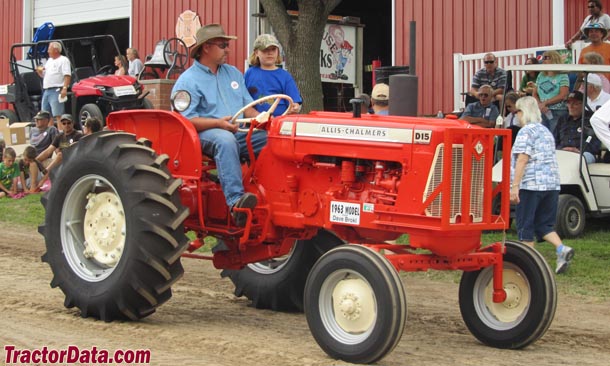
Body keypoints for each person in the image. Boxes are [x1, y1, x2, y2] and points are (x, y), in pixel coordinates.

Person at [171, 23, 262, 227]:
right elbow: (185, 120)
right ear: (206, 47)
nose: (227, 49)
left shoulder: (233, 73)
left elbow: (248, 107)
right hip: (205, 133)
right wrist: (218, 124)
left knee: (271, 139)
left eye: (226, 44)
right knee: (225, 140)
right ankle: (236, 204)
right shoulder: (188, 81)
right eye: (223, 45)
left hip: (236, 129)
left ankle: (268, 195)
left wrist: (264, 119)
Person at [510, 96, 574, 274]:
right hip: (551, 184)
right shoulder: (545, 131)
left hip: (531, 184)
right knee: (544, 225)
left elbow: (523, 159)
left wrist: (515, 186)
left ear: (523, 112)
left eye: (518, 111)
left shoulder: (526, 132)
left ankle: (528, 267)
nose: (516, 115)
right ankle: (561, 249)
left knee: (525, 226)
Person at [244, 34, 302, 115]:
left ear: (277, 52)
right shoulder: (249, 74)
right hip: (254, 124)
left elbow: (295, 103)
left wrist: (295, 107)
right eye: (265, 50)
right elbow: (242, 100)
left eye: (273, 49)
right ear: (256, 52)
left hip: (279, 124)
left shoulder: (285, 76)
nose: (270, 53)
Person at [554, 91, 601, 164]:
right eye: (568, 103)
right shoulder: (562, 119)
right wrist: (561, 149)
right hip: (562, 152)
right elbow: (554, 140)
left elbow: (596, 143)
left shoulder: (592, 119)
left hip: (583, 153)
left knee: (577, 161)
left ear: (583, 104)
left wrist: (578, 150)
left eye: (575, 103)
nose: (570, 106)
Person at [35, 41, 71, 127]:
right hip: (46, 91)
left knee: (58, 115)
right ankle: (50, 134)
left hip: (56, 90)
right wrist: (39, 72)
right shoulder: (49, 61)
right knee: (46, 115)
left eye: (49, 49)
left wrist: (65, 88)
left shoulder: (63, 60)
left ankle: (61, 134)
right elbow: (44, 75)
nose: (48, 51)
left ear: (56, 50)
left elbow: (67, 75)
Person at [533, 50, 569, 134]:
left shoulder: (562, 75)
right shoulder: (541, 75)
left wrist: (545, 103)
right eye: (543, 58)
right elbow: (535, 93)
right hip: (542, 110)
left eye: (546, 58)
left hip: (557, 110)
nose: (543, 60)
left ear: (554, 59)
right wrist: (540, 104)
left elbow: (563, 94)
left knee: (554, 133)